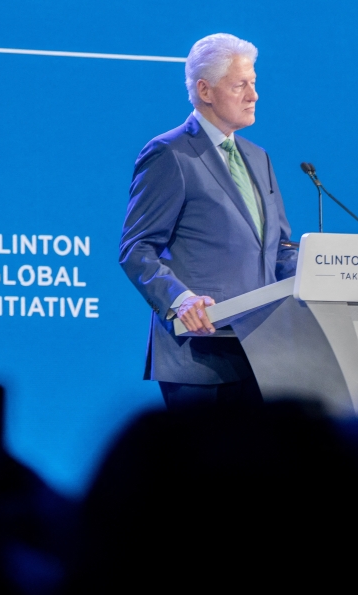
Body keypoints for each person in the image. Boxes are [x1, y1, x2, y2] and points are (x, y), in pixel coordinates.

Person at [119, 33, 297, 409]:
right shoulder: (170, 153)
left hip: (263, 357)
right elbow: (137, 248)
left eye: (254, 83)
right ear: (205, 90)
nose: (254, 95)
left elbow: (279, 248)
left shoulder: (258, 157)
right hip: (199, 358)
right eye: (240, 85)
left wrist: (322, 274)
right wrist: (180, 301)